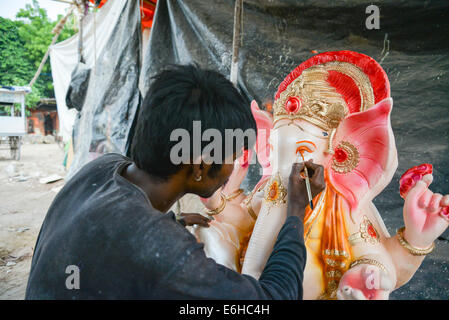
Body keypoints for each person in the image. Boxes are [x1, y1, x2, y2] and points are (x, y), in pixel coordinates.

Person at [25, 65, 325, 300]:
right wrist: (295, 210)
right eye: (234, 155)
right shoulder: (164, 250)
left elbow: (112, 238)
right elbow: (274, 297)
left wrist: (170, 223)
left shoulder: (100, 170)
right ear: (199, 166)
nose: (237, 166)